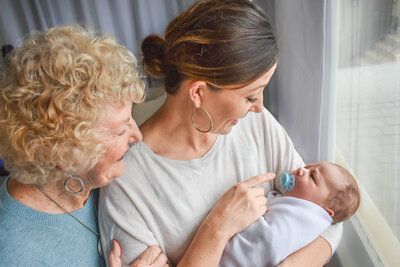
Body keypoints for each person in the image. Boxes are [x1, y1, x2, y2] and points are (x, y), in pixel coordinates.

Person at [99, 0, 342, 266]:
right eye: (250, 96)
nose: (260, 107)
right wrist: (217, 227)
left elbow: (327, 216)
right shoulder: (127, 184)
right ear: (199, 93)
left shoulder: (252, 124)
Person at [0, 25, 168, 266]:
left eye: (132, 118)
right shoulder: (12, 253)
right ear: (68, 153)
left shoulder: (103, 181)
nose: (137, 135)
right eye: (121, 130)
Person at [220, 161, 361, 267]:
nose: (301, 170)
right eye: (307, 167)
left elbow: (268, 240)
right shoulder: (293, 201)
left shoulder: (307, 219)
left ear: (325, 210)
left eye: (312, 177)